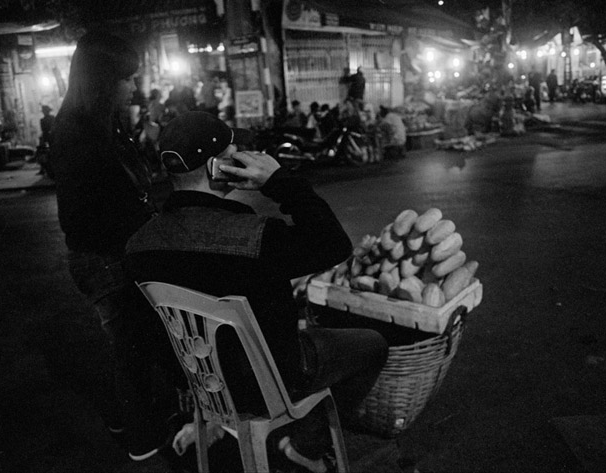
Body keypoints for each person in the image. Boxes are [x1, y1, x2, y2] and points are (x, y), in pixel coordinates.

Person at [125, 111, 388, 473]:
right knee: (373, 344)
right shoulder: (256, 236)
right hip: (274, 384)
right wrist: (278, 180)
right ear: (217, 166)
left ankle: (224, 421)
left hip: (206, 384)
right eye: (235, 151)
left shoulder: (138, 246)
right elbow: (335, 244)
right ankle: (307, 449)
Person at [49, 30, 184, 471]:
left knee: (140, 341)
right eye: (127, 78)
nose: (134, 86)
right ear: (104, 79)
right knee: (131, 346)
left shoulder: (105, 124)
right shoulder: (77, 133)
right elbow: (88, 214)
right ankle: (141, 437)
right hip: (104, 258)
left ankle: (134, 420)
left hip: (120, 251)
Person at [36, 105, 55, 176]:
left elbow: (45, 129)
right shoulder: (51, 118)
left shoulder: (45, 120)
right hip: (49, 136)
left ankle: (44, 169)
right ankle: (44, 168)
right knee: (43, 152)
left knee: (44, 152)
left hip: (49, 136)